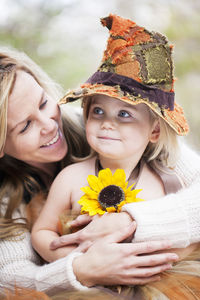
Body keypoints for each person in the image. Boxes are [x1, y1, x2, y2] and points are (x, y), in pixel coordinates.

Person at [31, 14, 200, 298]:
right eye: (98, 112)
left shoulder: (165, 178)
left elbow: (188, 236)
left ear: (155, 131)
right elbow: (42, 233)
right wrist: (78, 260)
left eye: (124, 114)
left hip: (161, 284)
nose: (107, 122)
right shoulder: (72, 177)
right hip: (94, 287)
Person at [0, 46, 182, 297]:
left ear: (154, 131)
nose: (49, 125)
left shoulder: (153, 164)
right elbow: (10, 276)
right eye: (25, 126)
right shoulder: (72, 177)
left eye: (43, 103)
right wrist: (81, 265)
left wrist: (134, 220)